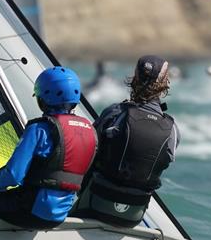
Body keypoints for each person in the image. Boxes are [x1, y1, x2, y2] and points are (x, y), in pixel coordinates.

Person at [0, 66, 98, 228]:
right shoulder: (90, 131)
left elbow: (13, 176)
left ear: (43, 98)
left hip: (30, 209)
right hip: (60, 215)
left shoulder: (39, 129)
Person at [73, 55, 179, 227]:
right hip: (133, 217)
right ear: (165, 83)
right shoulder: (172, 129)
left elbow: (87, 151)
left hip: (93, 206)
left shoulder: (115, 113)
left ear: (135, 77)